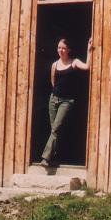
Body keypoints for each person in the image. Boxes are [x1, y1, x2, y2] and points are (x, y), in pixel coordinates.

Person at [41, 37, 93, 168]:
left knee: (56, 128)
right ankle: (54, 159)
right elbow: (53, 82)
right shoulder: (54, 65)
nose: (61, 50)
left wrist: (89, 50)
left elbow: (87, 67)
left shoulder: (74, 62)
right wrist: (55, 96)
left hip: (67, 101)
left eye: (64, 48)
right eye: (59, 47)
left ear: (69, 49)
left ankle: (45, 157)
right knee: (55, 131)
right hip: (53, 100)